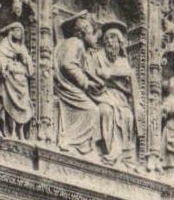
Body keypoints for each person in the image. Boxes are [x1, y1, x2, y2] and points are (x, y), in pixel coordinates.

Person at [53, 12, 103, 155]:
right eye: (91, 33)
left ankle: (81, 144)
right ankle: (73, 142)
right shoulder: (76, 43)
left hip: (66, 85)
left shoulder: (73, 44)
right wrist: (86, 83)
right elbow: (67, 64)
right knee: (93, 110)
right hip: (66, 88)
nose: (94, 38)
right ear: (82, 34)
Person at [94, 22, 141, 167]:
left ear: (120, 42)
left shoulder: (123, 61)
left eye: (113, 38)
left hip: (121, 98)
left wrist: (110, 75)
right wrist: (112, 78)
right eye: (107, 39)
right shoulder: (98, 56)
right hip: (103, 94)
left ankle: (126, 155)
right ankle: (111, 151)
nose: (109, 42)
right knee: (105, 111)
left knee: (128, 116)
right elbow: (96, 74)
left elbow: (129, 83)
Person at [0, 21, 34, 138]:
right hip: (10, 80)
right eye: (17, 31)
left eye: (21, 32)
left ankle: (20, 130)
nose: (19, 34)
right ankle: (11, 130)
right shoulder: (4, 44)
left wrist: (25, 58)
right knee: (10, 105)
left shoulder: (22, 48)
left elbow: (30, 70)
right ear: (11, 32)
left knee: (23, 105)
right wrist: (6, 65)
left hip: (21, 81)